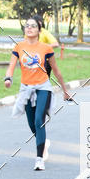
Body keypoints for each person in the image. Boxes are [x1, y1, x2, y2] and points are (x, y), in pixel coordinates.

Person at [4, 16, 71, 170]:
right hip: (26, 88)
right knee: (31, 123)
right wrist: (8, 78)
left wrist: (65, 91)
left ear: (39, 30)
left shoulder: (46, 48)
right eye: (27, 25)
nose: (29, 28)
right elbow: (11, 66)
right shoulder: (19, 47)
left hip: (43, 88)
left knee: (38, 119)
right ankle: (44, 142)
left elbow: (56, 71)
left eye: (33, 26)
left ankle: (39, 159)